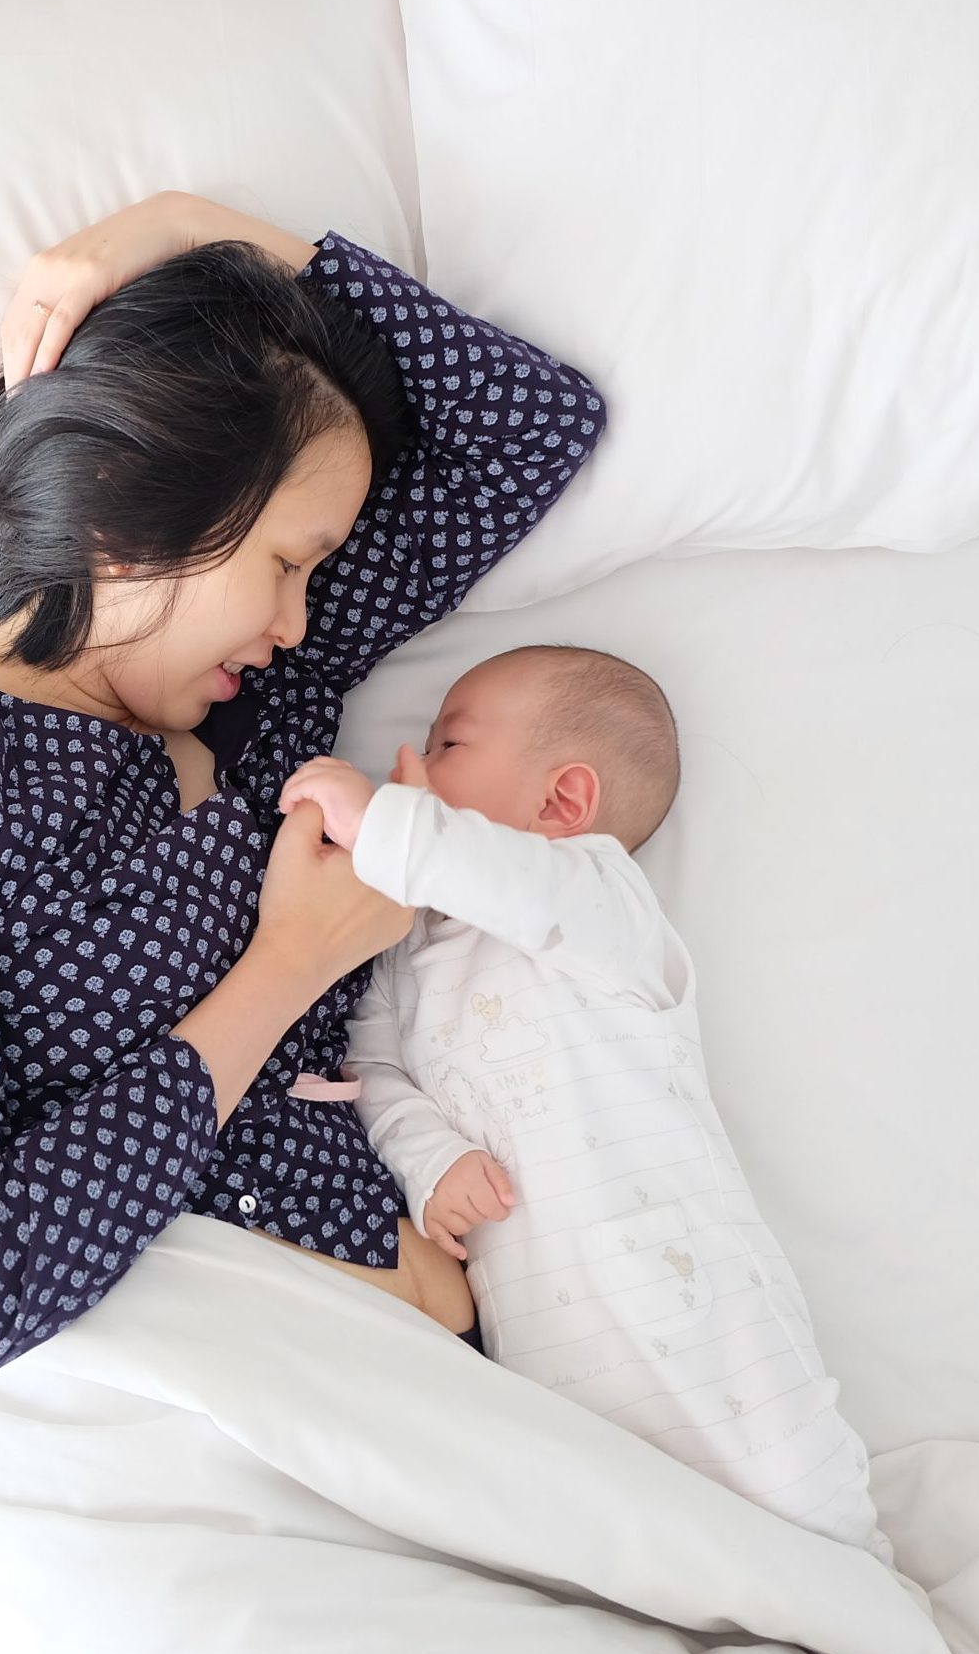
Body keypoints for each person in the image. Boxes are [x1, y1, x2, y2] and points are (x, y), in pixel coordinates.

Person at [0, 189, 607, 1380]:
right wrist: (287, 966)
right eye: (285, 562)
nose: (301, 615)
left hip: (444, 1380)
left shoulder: (264, 692)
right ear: (131, 502)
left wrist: (190, 228)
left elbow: (529, 426)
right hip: (214, 1404)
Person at [279, 646, 892, 1559]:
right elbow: (375, 1074)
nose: (411, 763)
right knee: (618, 1553)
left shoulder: (600, 898)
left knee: (804, 1514)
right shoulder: (408, 945)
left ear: (561, 805)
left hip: (704, 1313)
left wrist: (384, 821)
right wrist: (430, 1160)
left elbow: (495, 877)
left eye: (446, 745)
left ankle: (866, 1603)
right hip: (556, 1362)